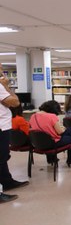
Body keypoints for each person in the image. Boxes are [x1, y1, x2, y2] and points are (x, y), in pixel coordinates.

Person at [0, 63, 29, 192]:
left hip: (4, 126)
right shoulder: (0, 86)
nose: (2, 70)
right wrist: (6, 85)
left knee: (3, 156)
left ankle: (7, 181)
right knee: (2, 157)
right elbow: (15, 102)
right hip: (1, 126)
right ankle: (4, 185)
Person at [30, 100, 71, 166]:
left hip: (38, 144)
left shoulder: (33, 116)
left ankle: (51, 159)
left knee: (66, 131)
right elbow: (60, 132)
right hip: (52, 143)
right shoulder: (51, 116)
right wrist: (63, 128)